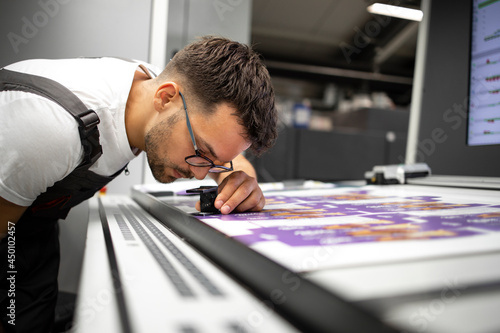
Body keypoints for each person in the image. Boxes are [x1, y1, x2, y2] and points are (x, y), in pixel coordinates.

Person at [0, 36, 277, 332]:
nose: (200, 175)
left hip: (30, 219)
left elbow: (231, 158)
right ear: (165, 98)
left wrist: (238, 179)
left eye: (215, 161)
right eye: (201, 153)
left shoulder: (159, 91)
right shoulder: (51, 128)